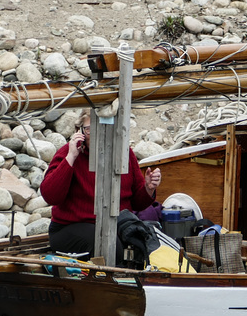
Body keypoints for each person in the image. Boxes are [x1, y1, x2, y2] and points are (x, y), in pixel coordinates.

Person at [40, 111, 162, 260]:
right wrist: (71, 158)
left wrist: (148, 188)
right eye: (90, 129)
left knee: (145, 243)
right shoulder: (68, 152)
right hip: (70, 227)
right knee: (110, 246)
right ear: (80, 132)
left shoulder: (125, 153)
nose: (99, 134)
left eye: (104, 127)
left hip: (114, 224)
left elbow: (137, 203)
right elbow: (50, 196)